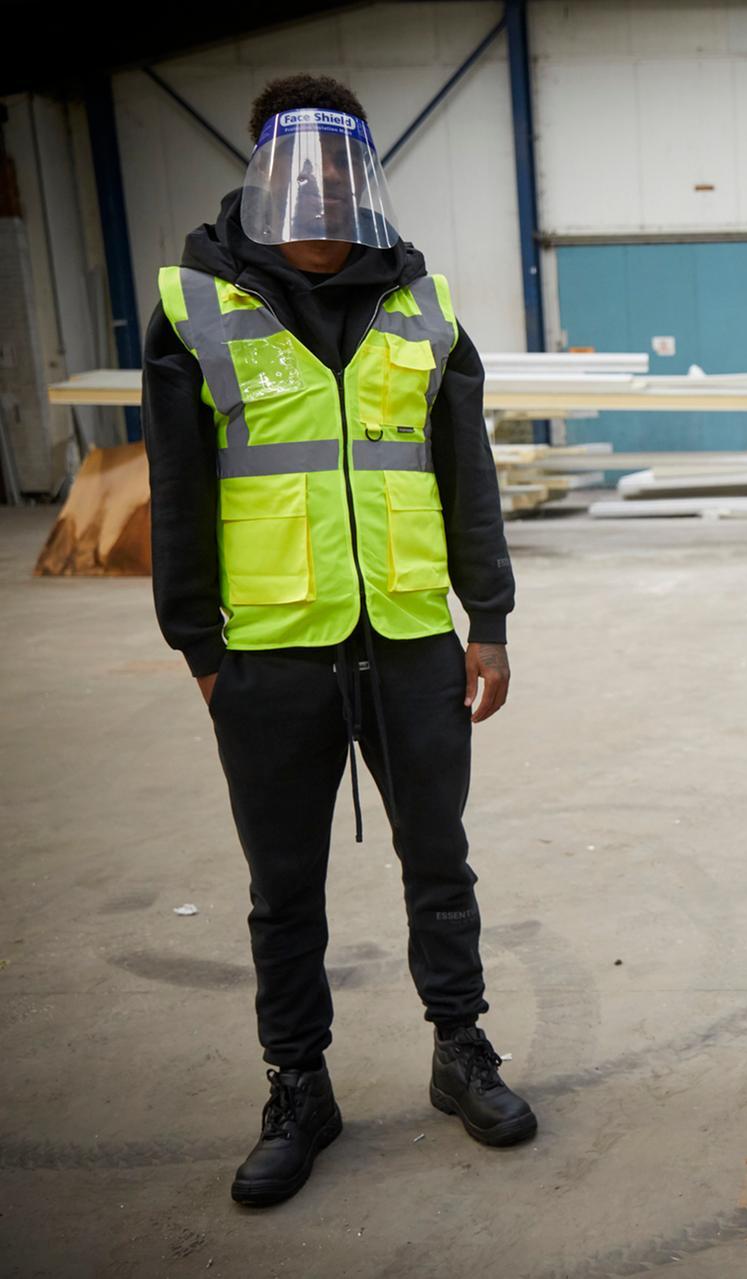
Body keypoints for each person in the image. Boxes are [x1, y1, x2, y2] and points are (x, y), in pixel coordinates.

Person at [142, 75, 535, 1207]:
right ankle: (298, 1083)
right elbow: (178, 489)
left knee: (439, 859)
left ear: (363, 175)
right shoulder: (195, 300)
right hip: (268, 652)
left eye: (337, 172)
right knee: (283, 886)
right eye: (297, 172)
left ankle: (460, 1051)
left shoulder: (424, 304)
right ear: (266, 168)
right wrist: (198, 646)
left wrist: (489, 621)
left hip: (411, 636)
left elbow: (468, 480)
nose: (318, 200)